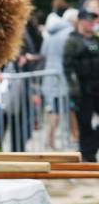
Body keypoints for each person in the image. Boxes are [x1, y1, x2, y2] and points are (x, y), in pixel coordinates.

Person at [64, 7, 99, 161]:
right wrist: (75, 90)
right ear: (80, 21)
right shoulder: (72, 41)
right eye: (88, 19)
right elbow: (68, 68)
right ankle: (87, 156)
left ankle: (88, 150)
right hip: (82, 92)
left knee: (87, 130)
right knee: (84, 125)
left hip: (97, 89)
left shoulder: (96, 39)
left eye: (93, 20)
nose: (91, 23)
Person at [40, 9, 76, 149]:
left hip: (51, 76)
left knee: (57, 109)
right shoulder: (70, 33)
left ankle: (53, 139)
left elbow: (43, 52)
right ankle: (54, 139)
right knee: (62, 109)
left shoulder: (51, 33)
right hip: (63, 77)